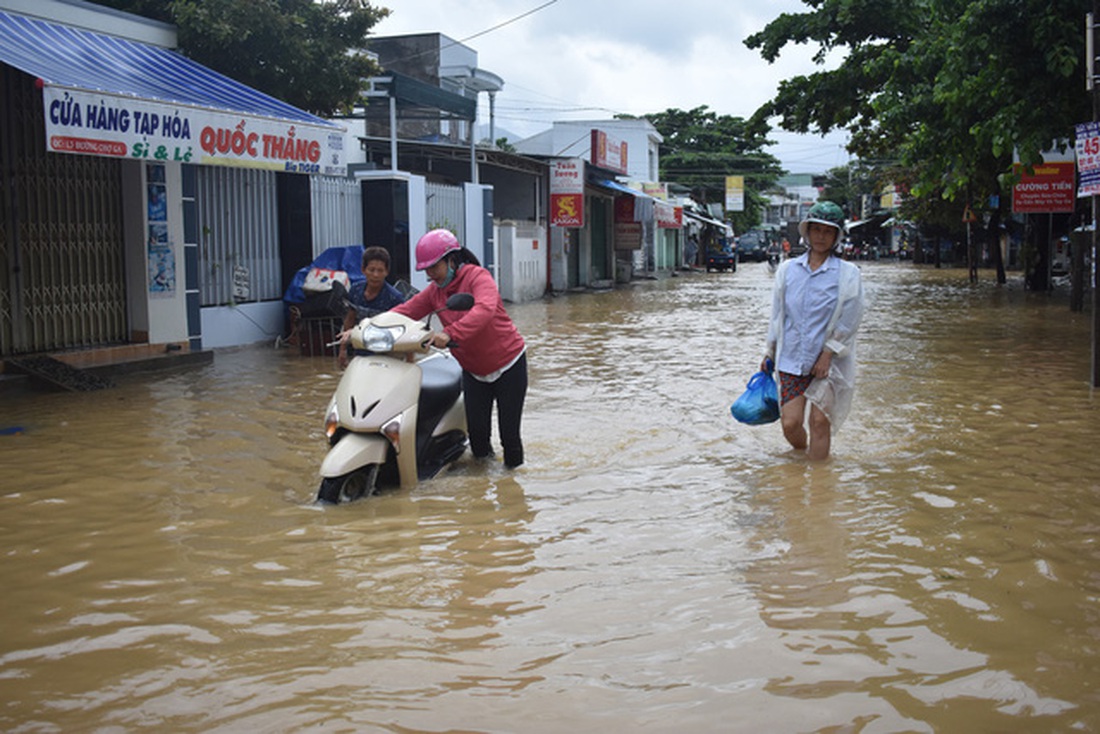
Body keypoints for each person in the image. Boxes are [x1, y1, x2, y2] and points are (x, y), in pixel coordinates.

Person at [390, 229, 528, 469]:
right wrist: (364, 328)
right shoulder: (435, 292)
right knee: (477, 439)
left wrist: (449, 334)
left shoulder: (478, 277)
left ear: (452, 259)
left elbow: (484, 310)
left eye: (435, 267)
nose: (431, 275)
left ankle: (512, 490)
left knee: (510, 437)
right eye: (427, 270)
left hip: (509, 365)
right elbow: (404, 311)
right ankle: (483, 488)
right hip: (473, 371)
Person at [762, 201, 865, 461]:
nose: (821, 236)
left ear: (836, 236)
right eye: (816, 230)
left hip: (829, 364)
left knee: (820, 421)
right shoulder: (787, 271)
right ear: (807, 232)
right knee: (790, 424)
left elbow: (850, 320)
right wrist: (769, 352)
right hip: (791, 358)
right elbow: (778, 317)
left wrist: (828, 353)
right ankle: (801, 458)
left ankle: (818, 487)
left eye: (828, 231)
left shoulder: (848, 274)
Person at [338, 246, 406, 368]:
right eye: (371, 270)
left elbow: (405, 329)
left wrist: (409, 362)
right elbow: (350, 319)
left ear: (387, 271)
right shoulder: (355, 290)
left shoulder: (395, 298)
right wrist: (342, 350)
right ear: (363, 270)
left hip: (387, 355)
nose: (375, 275)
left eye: (380, 270)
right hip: (360, 352)